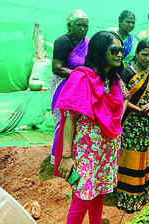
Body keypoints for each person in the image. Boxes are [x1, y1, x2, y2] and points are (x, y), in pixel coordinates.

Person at [53, 31, 128, 224]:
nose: (120, 54)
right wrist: (67, 156)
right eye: (114, 50)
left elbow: (124, 101)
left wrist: (114, 121)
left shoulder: (115, 81)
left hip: (108, 147)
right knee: (82, 198)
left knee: (99, 193)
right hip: (86, 151)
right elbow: (69, 118)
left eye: (121, 50)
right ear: (100, 51)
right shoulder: (82, 78)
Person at [117, 40, 149, 213]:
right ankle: (126, 196)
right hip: (130, 122)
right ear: (136, 54)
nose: (147, 58)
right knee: (129, 156)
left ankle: (140, 193)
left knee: (143, 156)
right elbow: (120, 98)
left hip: (146, 123)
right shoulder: (127, 72)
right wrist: (139, 109)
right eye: (144, 54)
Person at [50, 9, 89, 164]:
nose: (83, 29)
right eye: (79, 25)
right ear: (70, 26)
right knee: (63, 119)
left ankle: (74, 153)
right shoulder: (63, 41)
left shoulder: (87, 43)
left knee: (76, 119)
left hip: (79, 86)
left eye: (86, 26)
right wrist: (79, 74)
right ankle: (58, 156)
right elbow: (57, 67)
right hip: (63, 85)